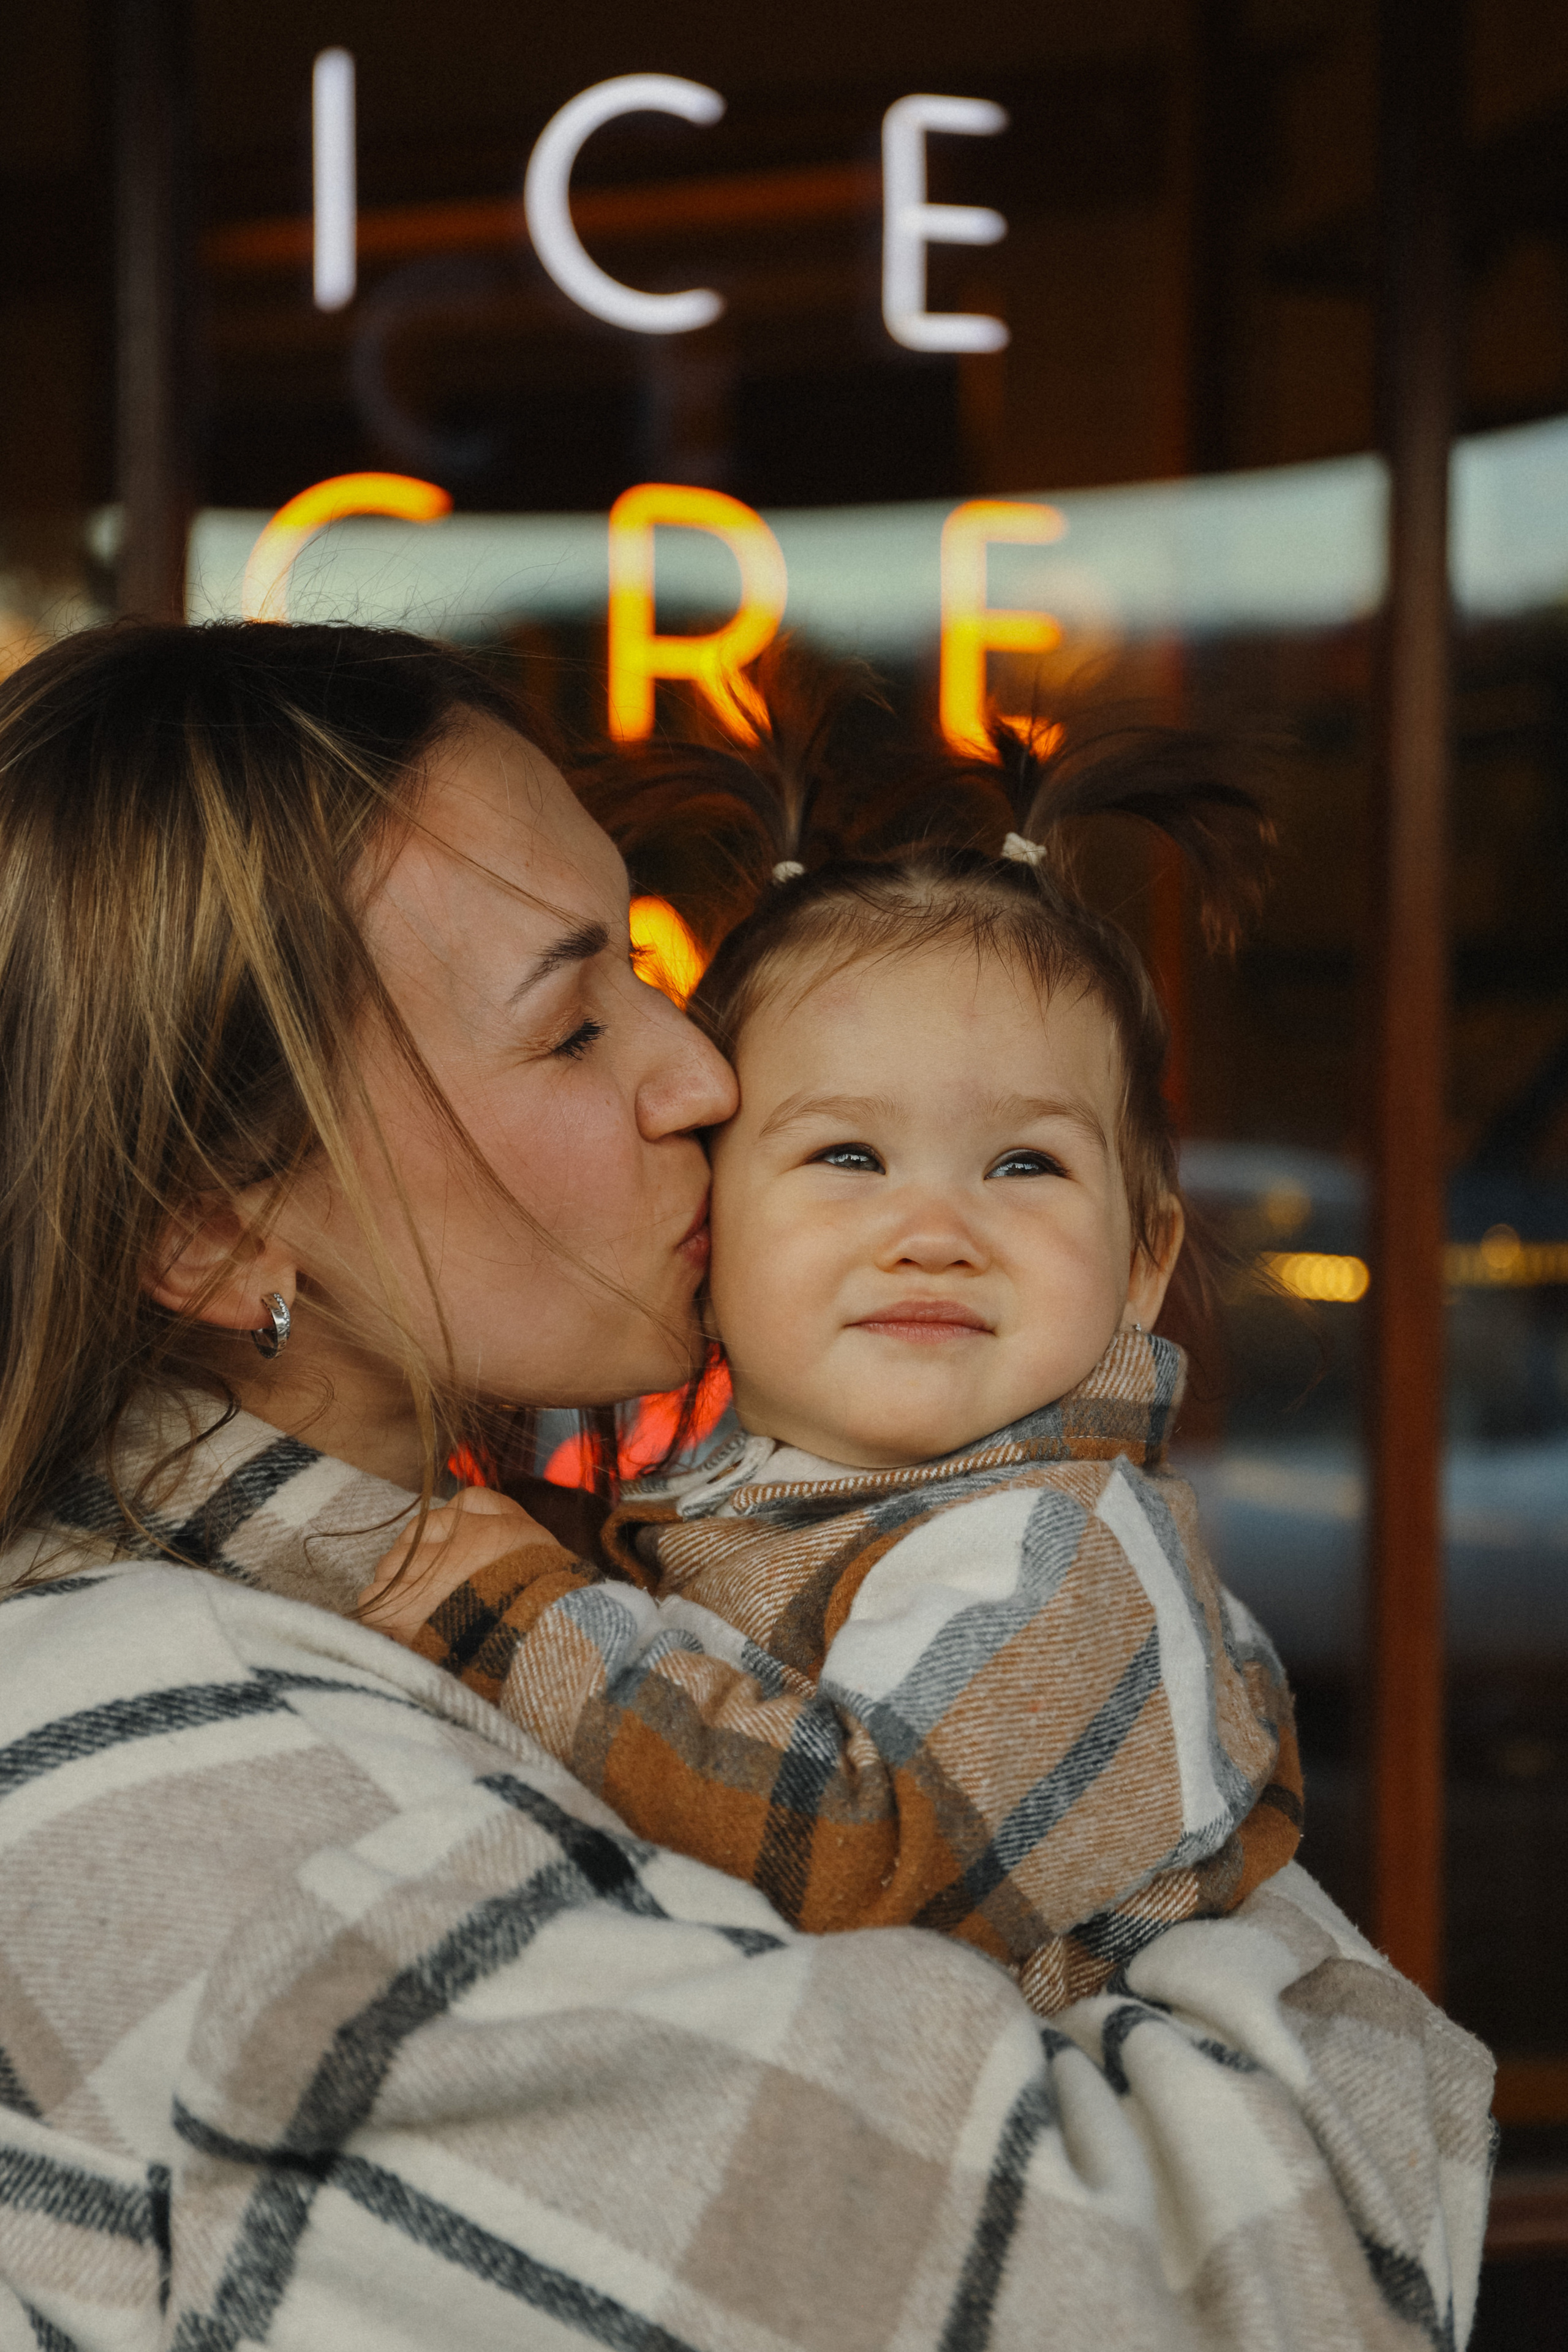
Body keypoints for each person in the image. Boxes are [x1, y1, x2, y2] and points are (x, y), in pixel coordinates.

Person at [0, 621, 1493, 2351]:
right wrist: (1367, 2047)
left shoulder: (449, 1591)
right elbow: (1180, 2312)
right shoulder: (207, 1786)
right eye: (572, 1027)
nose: (704, 1076)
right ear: (209, 1222)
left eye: (648, 969)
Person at [359, 718, 1305, 2021]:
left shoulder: (1058, 1550)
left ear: (1141, 1262)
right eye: (847, 1158)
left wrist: (517, 1623)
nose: (933, 1234)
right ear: (709, 1229)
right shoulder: (771, 1503)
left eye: (1023, 1166)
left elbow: (860, 1856)